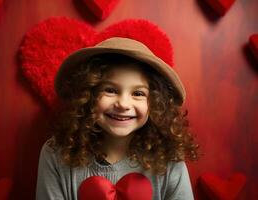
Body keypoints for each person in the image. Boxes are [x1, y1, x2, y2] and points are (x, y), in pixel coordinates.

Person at [36, 37, 199, 200]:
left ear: (156, 103)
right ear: (87, 96)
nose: (123, 104)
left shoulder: (168, 159)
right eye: (110, 90)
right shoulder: (56, 154)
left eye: (138, 93)